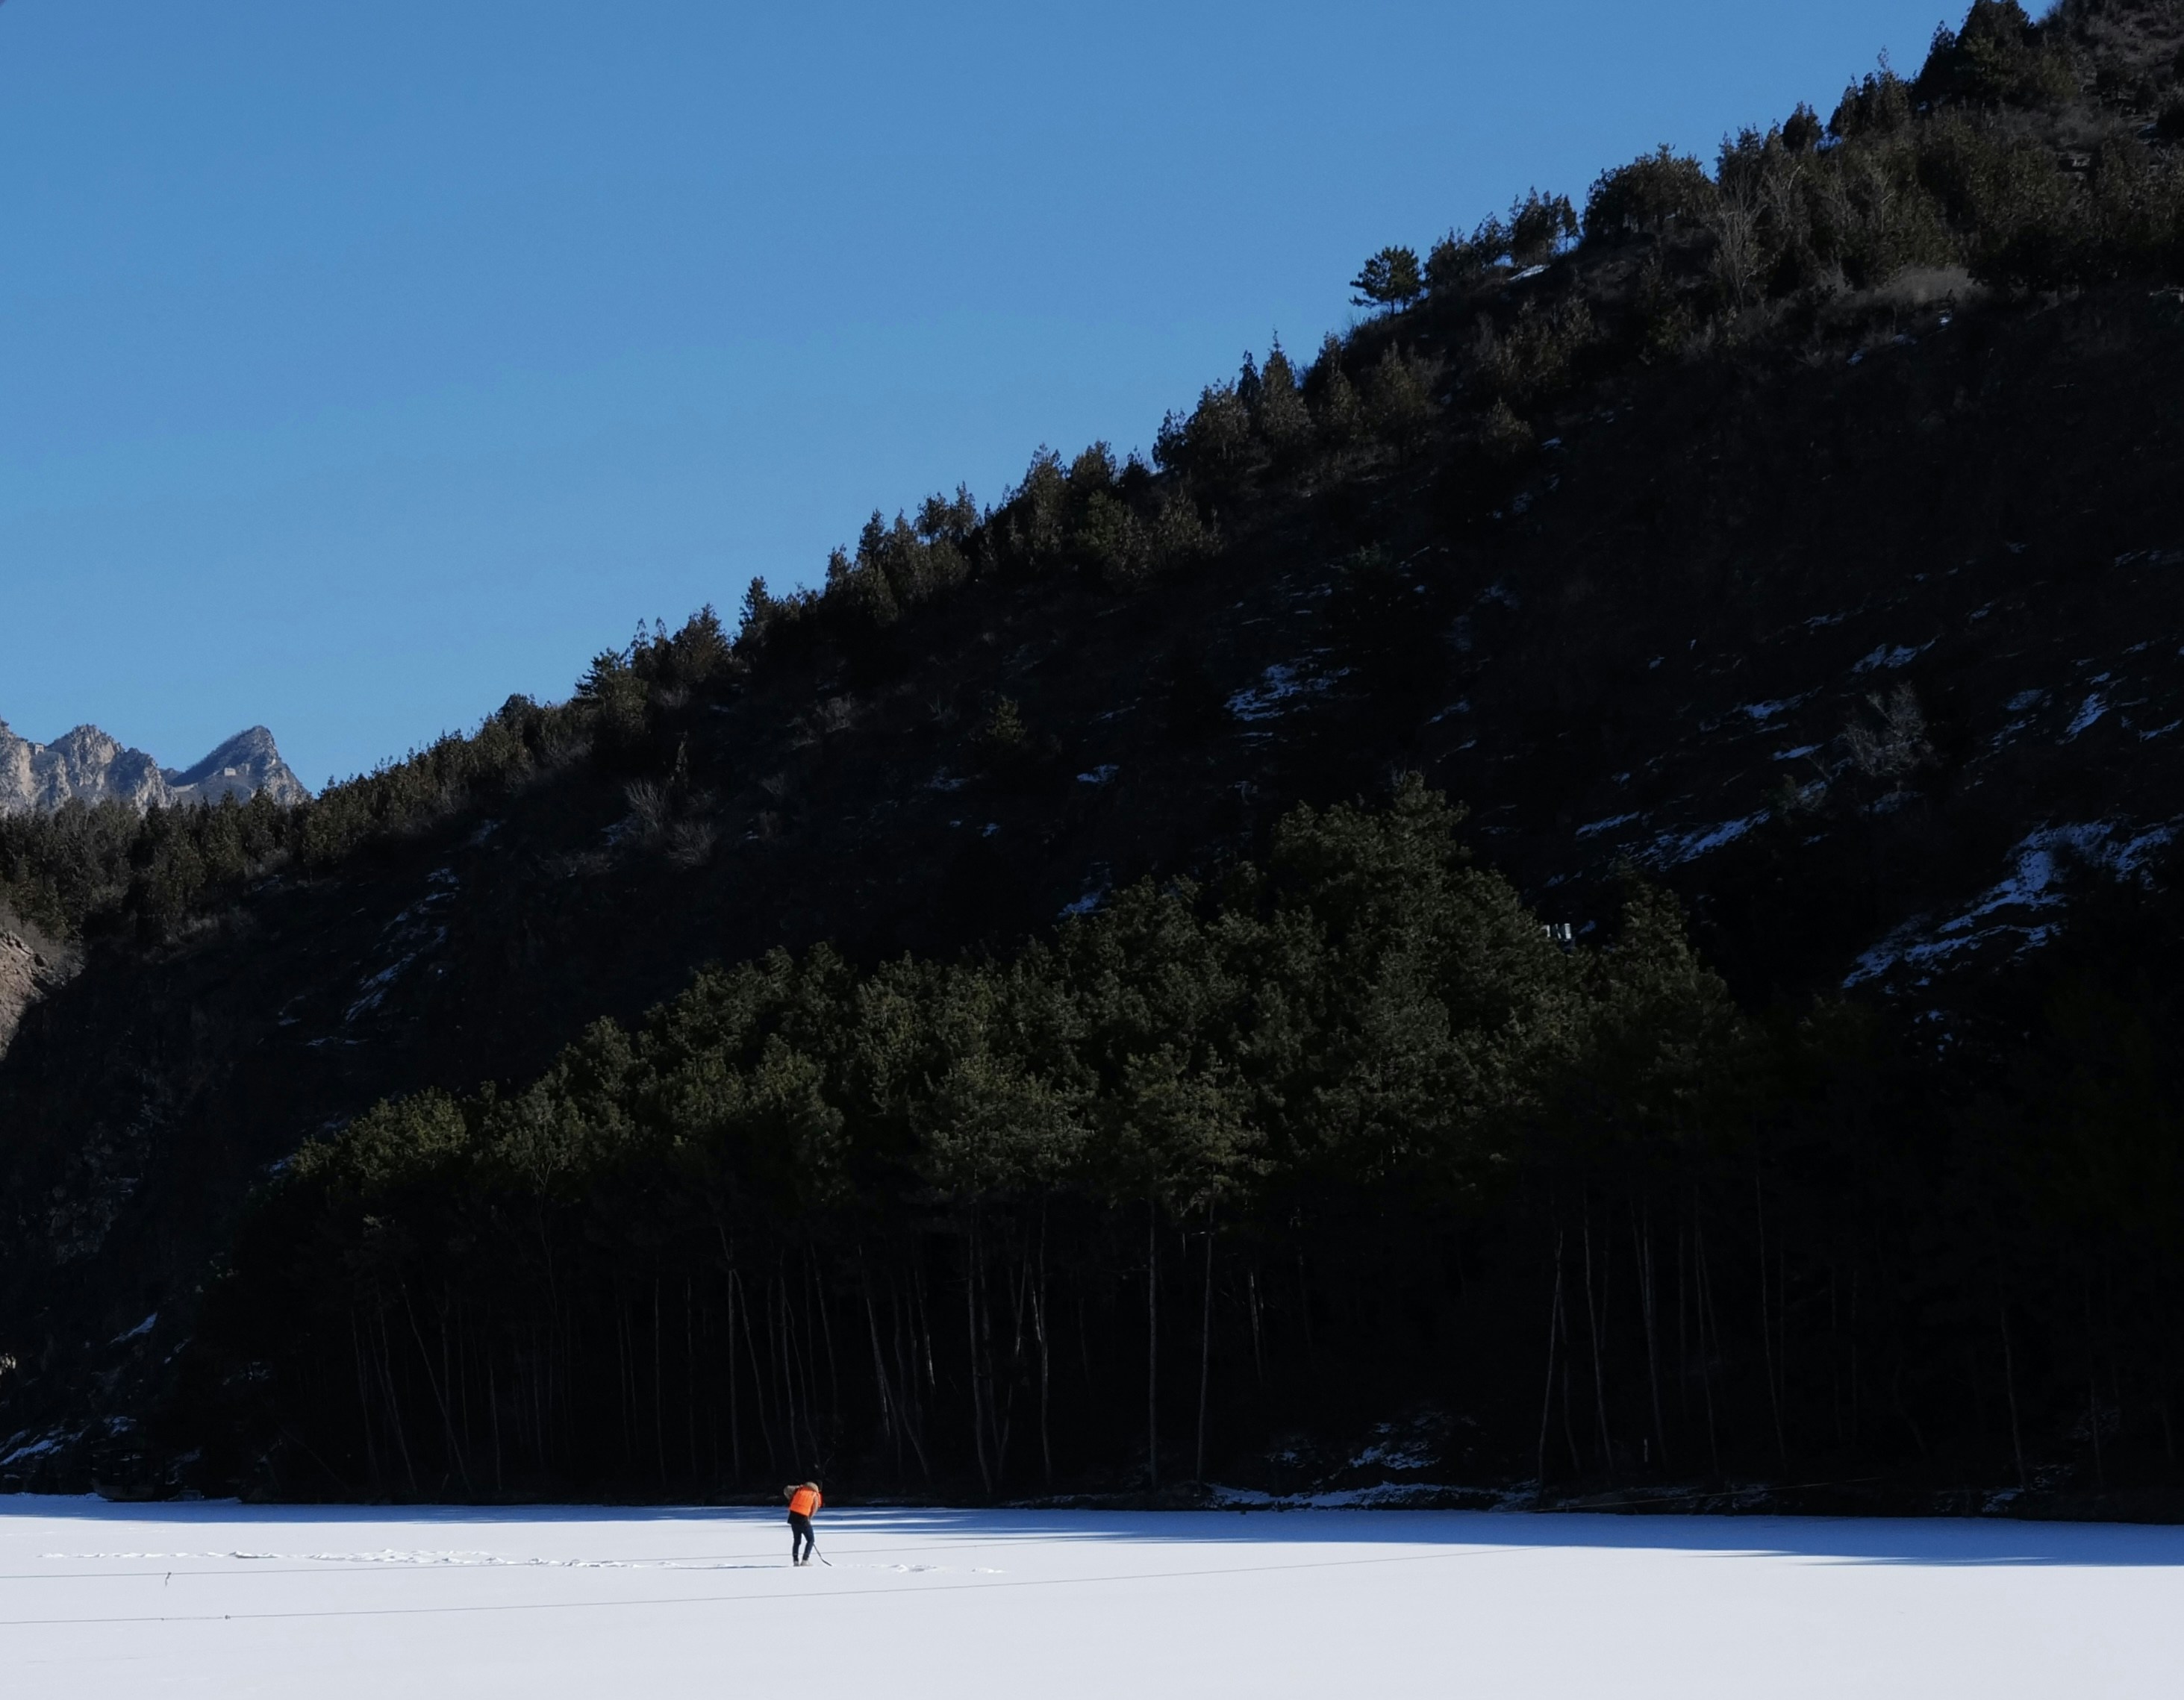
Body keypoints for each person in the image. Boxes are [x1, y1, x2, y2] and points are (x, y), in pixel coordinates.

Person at [784, 1480, 823, 1566]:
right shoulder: (815, 1494)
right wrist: (809, 1518)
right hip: (803, 1517)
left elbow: (787, 1489)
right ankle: (805, 1560)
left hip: (792, 1516)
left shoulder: (800, 1489)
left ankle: (795, 1561)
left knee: (797, 1540)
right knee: (811, 1539)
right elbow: (815, 1508)